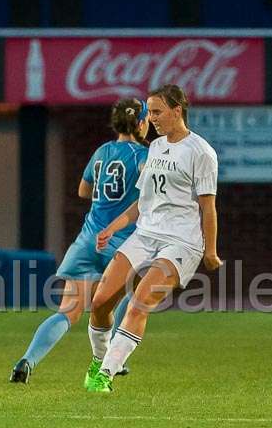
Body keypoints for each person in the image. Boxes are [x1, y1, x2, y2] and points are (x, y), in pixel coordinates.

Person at [84, 84, 222, 393]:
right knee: (100, 302)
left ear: (177, 111)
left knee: (139, 303)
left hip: (181, 242)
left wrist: (210, 251)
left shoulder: (201, 152)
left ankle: (105, 375)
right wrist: (114, 226)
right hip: (145, 234)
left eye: (157, 112)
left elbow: (208, 207)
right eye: (150, 112)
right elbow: (142, 201)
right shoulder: (156, 148)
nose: (151, 118)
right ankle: (97, 361)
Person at [10, 98, 150, 384]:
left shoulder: (101, 152)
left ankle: (27, 360)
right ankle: (114, 360)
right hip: (121, 243)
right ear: (140, 123)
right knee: (138, 293)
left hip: (88, 240)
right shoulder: (143, 156)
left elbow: (84, 191)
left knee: (68, 311)